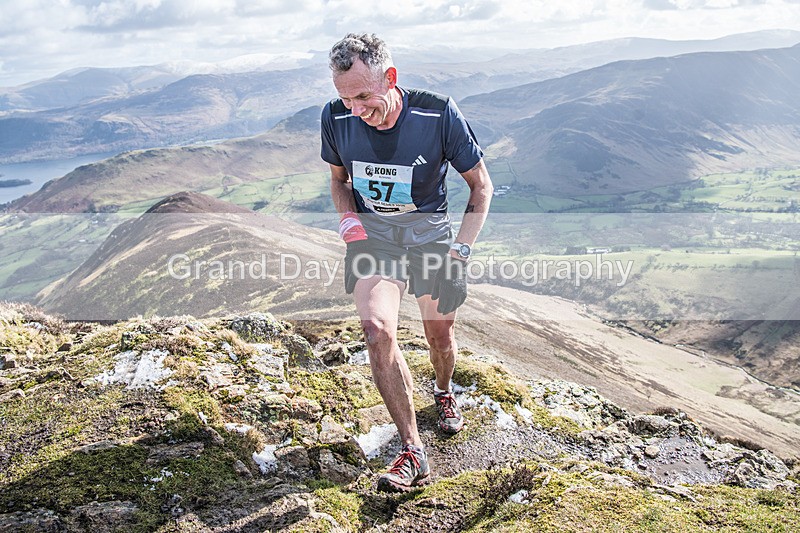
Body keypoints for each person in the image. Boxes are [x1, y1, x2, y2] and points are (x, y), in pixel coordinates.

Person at [320, 33, 493, 492]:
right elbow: (339, 180)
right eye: (346, 98)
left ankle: (443, 390)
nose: (355, 109)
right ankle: (413, 449)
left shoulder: (438, 114)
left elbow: (481, 186)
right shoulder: (335, 116)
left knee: (440, 337)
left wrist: (460, 254)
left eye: (364, 96)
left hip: (430, 240)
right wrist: (349, 223)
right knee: (376, 331)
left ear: (390, 78)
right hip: (375, 242)